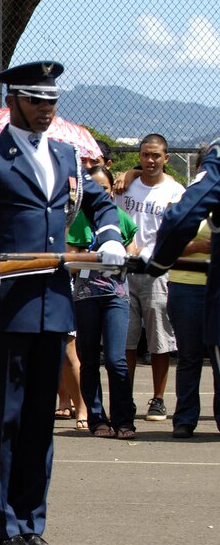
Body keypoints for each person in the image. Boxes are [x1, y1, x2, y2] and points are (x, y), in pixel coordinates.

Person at [0, 61, 125, 545]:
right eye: (36, 100)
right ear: (13, 101)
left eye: (52, 101)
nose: (47, 109)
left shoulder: (68, 157)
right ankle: (3, 528)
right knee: (3, 422)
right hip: (6, 306)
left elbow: (100, 203)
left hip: (53, 306)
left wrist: (110, 235)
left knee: (38, 424)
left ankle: (31, 522)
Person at [147, 140, 220, 437]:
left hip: (211, 285)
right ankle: (185, 418)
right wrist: (200, 245)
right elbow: (174, 234)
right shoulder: (185, 196)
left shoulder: (200, 196)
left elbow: (175, 228)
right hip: (188, 285)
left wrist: (158, 263)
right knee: (189, 356)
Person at [114, 133, 185, 421]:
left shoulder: (175, 191)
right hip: (125, 270)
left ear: (166, 158)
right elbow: (114, 220)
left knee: (159, 340)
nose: (150, 160)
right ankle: (124, 398)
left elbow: (174, 232)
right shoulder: (126, 186)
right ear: (139, 157)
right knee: (126, 340)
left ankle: (157, 399)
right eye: (145, 155)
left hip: (157, 271)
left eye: (156, 155)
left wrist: (151, 253)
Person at [67, 165, 139, 438]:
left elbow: (131, 254)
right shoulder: (78, 219)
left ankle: (124, 419)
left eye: (105, 189)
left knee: (115, 359)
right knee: (88, 359)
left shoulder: (120, 217)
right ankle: (97, 418)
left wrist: (119, 253)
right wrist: (92, 254)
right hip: (86, 297)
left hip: (116, 296)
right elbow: (70, 260)